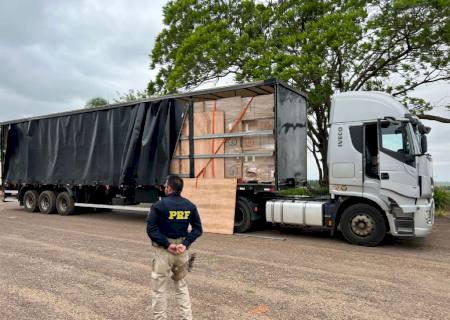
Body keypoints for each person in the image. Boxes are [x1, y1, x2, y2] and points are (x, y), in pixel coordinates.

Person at [146, 175, 203, 320]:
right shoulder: (190, 206)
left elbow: (151, 230)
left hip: (164, 252)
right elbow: (198, 229)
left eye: (166, 186)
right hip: (182, 252)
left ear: (169, 188)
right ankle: (187, 317)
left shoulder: (158, 206)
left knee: (159, 290)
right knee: (181, 287)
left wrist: (168, 245)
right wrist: (185, 244)